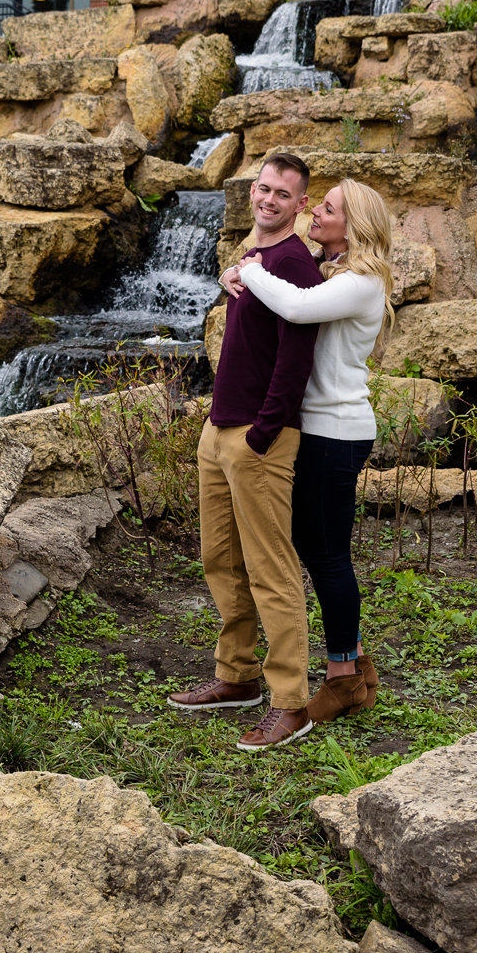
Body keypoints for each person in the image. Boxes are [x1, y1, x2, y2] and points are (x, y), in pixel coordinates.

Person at [222, 177, 397, 723]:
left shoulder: (363, 281)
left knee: (327, 556)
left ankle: (343, 675)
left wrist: (247, 266)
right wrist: (237, 273)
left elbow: (295, 309)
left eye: (327, 207)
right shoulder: (336, 272)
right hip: (325, 430)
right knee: (318, 548)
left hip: (335, 432)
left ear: (355, 225)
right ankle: (356, 661)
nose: (314, 212)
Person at [168, 152, 323, 753]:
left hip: (259, 439)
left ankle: (290, 703)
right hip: (219, 430)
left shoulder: (294, 267)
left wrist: (264, 431)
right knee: (221, 560)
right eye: (263, 188)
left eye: (283, 194)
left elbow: (295, 361)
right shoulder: (255, 257)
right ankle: (236, 676)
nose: (269, 200)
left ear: (299, 205)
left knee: (270, 570)